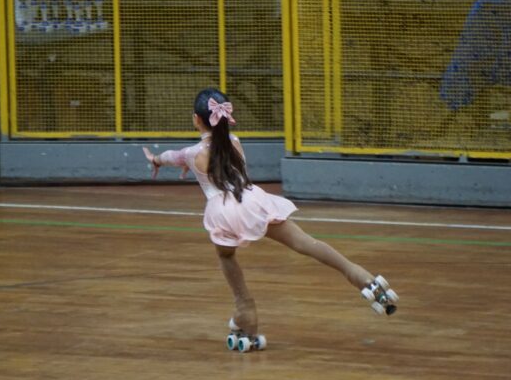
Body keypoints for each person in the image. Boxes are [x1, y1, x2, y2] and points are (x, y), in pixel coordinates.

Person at [143, 87, 398, 343]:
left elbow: (171, 157)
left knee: (226, 256)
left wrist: (155, 160)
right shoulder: (234, 141)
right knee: (305, 242)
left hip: (225, 211)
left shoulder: (192, 154)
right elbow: (221, 158)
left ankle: (245, 309)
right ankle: (361, 276)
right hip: (252, 201)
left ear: (196, 119)